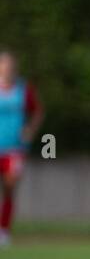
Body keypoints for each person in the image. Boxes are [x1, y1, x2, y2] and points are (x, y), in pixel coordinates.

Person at [0, 50, 43, 248]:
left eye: (10, 65)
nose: (7, 69)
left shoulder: (23, 90)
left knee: (9, 186)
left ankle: (4, 230)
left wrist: (29, 130)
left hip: (14, 149)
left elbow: (37, 112)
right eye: (4, 65)